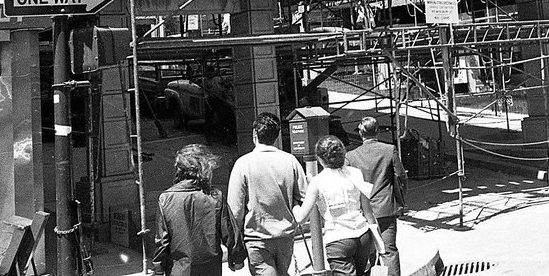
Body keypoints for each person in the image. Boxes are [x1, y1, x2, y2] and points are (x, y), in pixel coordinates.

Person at [227, 113, 310, 276]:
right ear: (276, 135)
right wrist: (296, 219)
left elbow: (235, 209)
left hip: (257, 238)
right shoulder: (291, 161)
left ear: (254, 134)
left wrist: (236, 241)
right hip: (285, 236)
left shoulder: (243, 164)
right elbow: (305, 198)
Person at [295, 136, 387, 276]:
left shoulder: (317, 182)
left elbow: (301, 218)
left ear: (320, 159)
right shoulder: (356, 173)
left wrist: (295, 204)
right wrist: (378, 241)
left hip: (337, 239)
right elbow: (368, 212)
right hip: (362, 235)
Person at [155, 144, 239, 276]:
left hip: (180, 269)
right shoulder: (214, 196)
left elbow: (162, 241)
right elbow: (229, 232)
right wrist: (237, 257)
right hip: (210, 269)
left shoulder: (166, 198)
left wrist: (158, 269)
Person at [345, 117, 407, 276]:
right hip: (385, 208)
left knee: (367, 253)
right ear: (378, 131)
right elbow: (401, 177)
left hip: (362, 213)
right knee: (388, 251)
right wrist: (400, 201)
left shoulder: (351, 156)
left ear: (360, 133)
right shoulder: (389, 149)